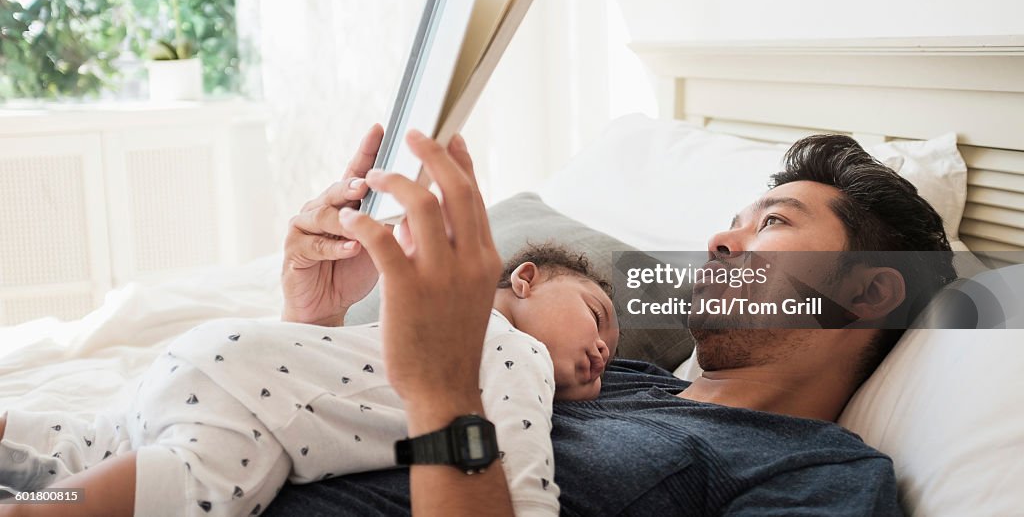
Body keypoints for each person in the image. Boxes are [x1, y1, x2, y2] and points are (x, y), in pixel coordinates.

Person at [254, 126, 955, 516]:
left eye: (772, 224)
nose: (719, 242)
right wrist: (314, 321)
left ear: (868, 295)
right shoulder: (606, 375)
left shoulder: (820, 476)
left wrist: (444, 397)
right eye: (732, 223)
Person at [0, 230, 618, 516]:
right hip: (245, 410)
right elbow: (519, 468)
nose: (602, 349)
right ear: (526, 278)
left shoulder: (408, 327)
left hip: (207, 359)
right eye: (596, 316)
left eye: (611, 356)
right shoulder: (511, 347)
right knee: (198, 491)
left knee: (92, 445)